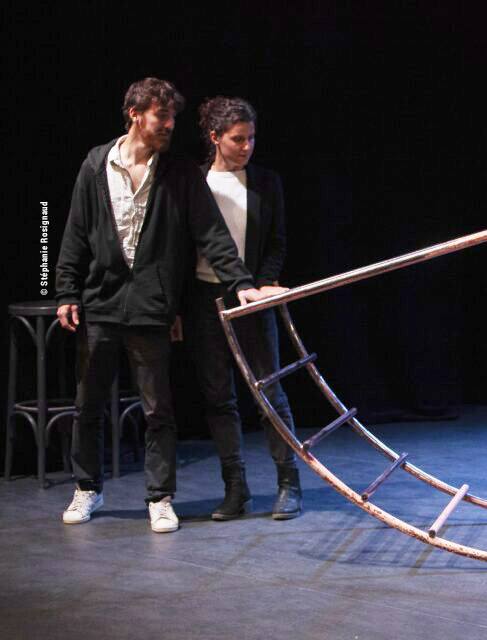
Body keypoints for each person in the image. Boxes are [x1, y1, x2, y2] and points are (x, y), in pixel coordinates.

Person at [55, 78, 273, 533]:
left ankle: (160, 496)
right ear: (135, 114)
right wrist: (64, 290)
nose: (170, 124)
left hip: (151, 305)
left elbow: (211, 234)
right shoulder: (96, 164)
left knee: (158, 409)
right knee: (88, 404)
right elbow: (74, 230)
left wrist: (241, 283)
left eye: (173, 116)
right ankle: (87, 487)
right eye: (162, 115)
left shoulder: (179, 172)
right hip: (101, 302)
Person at [182, 96, 301, 521]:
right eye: (237, 139)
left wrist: (264, 282)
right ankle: (236, 489)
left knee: (269, 390)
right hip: (204, 299)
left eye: (251, 138)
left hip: (251, 296)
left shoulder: (266, 182)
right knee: (219, 396)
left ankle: (289, 482)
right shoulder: (195, 181)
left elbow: (276, 243)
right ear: (215, 137)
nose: (246, 146)